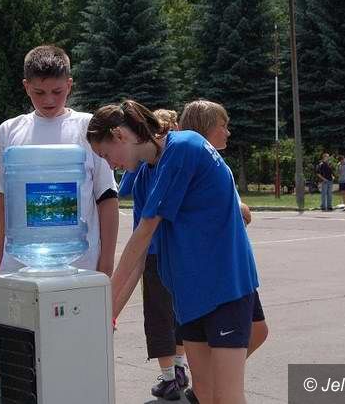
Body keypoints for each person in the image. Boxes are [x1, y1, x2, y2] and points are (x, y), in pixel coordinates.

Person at [87, 100, 260, 404]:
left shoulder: (184, 147)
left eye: (105, 154)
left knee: (227, 396)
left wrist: (102, 303)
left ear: (119, 135)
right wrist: (108, 315)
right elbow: (139, 257)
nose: (109, 164)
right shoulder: (144, 178)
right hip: (187, 297)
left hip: (224, 288)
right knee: (205, 394)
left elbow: (144, 233)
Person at [0, 45, 118, 277]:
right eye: (39, 92)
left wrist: (106, 264)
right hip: (20, 267)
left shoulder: (89, 128)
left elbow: (107, 198)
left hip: (80, 267)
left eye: (57, 91)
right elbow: (1, 200)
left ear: (69, 85)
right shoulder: (9, 131)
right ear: (26, 87)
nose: (49, 100)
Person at [179, 99, 268, 403]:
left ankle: (213, 384)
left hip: (237, 270)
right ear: (206, 128)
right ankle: (212, 388)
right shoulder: (200, 164)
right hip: (220, 275)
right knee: (226, 391)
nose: (228, 132)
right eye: (223, 125)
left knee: (259, 330)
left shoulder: (216, 163)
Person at [118, 108, 188, 400]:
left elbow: (123, 190)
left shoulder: (146, 168)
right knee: (178, 312)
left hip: (152, 250)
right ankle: (180, 367)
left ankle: (169, 376)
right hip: (174, 250)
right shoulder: (165, 164)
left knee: (159, 315)